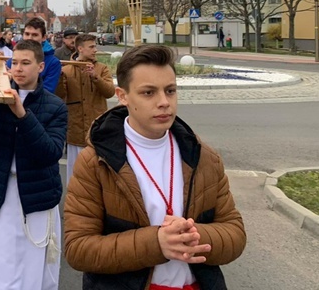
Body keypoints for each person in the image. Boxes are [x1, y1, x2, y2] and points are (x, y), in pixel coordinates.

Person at [64, 45, 247, 290]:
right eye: (149, 93)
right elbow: (78, 249)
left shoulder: (204, 157)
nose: (164, 102)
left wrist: (194, 237)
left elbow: (235, 234)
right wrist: (156, 243)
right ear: (122, 96)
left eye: (170, 91)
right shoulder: (95, 162)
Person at [0, 39, 67, 289]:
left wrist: (22, 114)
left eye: (26, 63)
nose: (18, 69)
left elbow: (50, 153)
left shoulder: (55, 106)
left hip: (36, 196)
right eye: (14, 63)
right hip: (2, 194)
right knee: (2, 266)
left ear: (41, 67)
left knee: (34, 267)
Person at [56, 33, 115, 185]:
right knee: (75, 175)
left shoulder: (102, 69)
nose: (95, 50)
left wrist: (96, 78)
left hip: (97, 129)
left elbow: (110, 92)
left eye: (95, 46)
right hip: (76, 130)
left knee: (98, 175)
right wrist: (59, 79)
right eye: (92, 47)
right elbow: (60, 96)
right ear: (80, 49)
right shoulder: (68, 70)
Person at [10, 17, 61, 93]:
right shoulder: (14, 57)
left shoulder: (53, 63)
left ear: (44, 37)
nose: (29, 38)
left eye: (34, 35)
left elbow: (47, 91)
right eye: (27, 34)